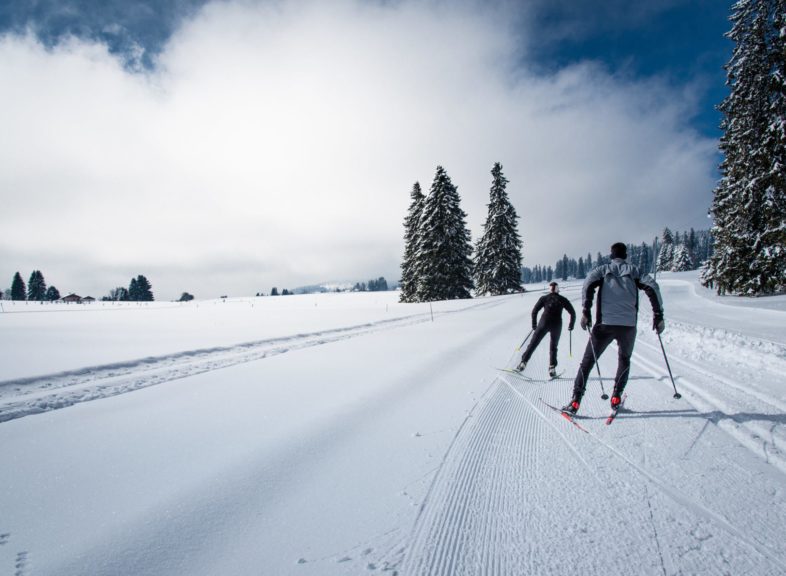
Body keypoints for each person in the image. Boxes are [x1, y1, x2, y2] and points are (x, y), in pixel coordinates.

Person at [562, 242, 664, 414]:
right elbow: (653, 287)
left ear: (611, 255)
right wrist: (658, 315)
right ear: (625, 255)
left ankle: (575, 401)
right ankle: (616, 397)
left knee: (587, 362)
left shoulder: (602, 270)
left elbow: (587, 284)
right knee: (624, 359)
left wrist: (586, 311)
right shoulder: (634, 271)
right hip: (628, 326)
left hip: (604, 325)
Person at [516, 281, 576, 378]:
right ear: (558, 289)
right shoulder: (562, 299)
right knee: (553, 347)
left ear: (549, 289)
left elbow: (534, 311)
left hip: (544, 323)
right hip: (557, 325)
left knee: (533, 343)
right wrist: (571, 325)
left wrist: (534, 324)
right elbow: (572, 312)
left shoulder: (544, 298)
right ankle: (552, 368)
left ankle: (523, 363)